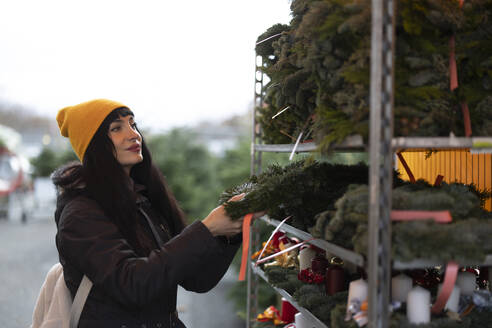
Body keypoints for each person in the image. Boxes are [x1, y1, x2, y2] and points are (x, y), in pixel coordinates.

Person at [52, 99, 260, 328]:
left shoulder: (144, 200)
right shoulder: (80, 214)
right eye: (116, 128)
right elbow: (132, 285)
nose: (133, 135)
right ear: (94, 145)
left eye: (132, 124)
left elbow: (197, 279)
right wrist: (206, 228)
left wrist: (229, 231)